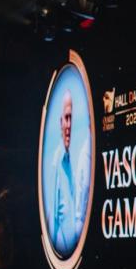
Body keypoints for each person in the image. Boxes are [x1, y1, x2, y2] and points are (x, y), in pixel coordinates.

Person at [50, 92, 87, 254]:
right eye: (66, 118)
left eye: (71, 118)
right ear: (60, 122)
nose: (69, 124)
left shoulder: (69, 162)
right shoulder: (55, 163)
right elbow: (52, 225)